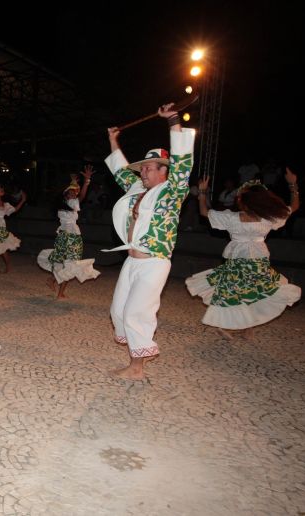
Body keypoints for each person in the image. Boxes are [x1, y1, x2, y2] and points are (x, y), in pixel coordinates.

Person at [103, 103, 195, 380]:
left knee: (135, 313)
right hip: (131, 260)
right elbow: (120, 170)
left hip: (154, 262)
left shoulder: (173, 191)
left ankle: (136, 368)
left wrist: (173, 121)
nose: (142, 173)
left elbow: (183, 163)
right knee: (117, 311)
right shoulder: (136, 189)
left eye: (149, 169)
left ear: (164, 171)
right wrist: (113, 140)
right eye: (142, 169)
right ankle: (139, 354)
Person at [185, 172, 301, 340]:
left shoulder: (232, 218)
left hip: (237, 263)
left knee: (233, 293)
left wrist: (202, 192)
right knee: (253, 293)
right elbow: (294, 206)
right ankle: (238, 327)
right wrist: (293, 185)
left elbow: (204, 212)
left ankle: (237, 326)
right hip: (257, 264)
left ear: (242, 201)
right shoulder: (268, 219)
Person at [37, 165, 100, 299]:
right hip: (68, 237)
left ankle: (55, 285)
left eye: (74, 193)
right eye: (71, 193)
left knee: (69, 265)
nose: (74, 194)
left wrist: (77, 182)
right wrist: (86, 182)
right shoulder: (69, 204)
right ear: (65, 196)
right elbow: (81, 196)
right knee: (69, 264)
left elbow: (78, 194)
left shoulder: (68, 205)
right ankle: (57, 287)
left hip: (70, 237)